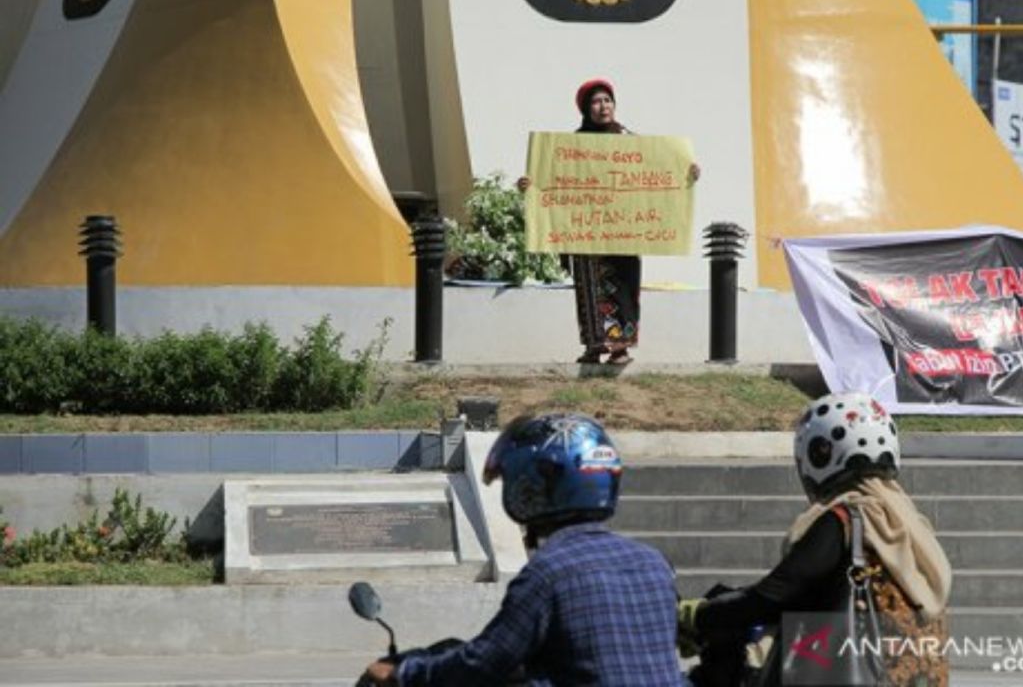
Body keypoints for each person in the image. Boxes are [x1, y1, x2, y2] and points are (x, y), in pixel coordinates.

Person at [358, 412, 684, 686]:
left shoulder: (550, 573)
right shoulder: (653, 564)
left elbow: (485, 661)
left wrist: (403, 673)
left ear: (536, 487)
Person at [678, 392, 953, 687]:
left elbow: (774, 593)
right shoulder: (906, 519)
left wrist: (699, 617)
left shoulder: (845, 519)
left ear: (819, 455)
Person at [519, 78, 699, 365]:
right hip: (586, 233)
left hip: (622, 234)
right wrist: (530, 186)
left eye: (607, 100)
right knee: (588, 289)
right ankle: (594, 346)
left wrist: (686, 171)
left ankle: (620, 348)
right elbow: (550, 182)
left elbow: (660, 170)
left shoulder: (632, 143)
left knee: (624, 288)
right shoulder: (570, 147)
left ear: (614, 105)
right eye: (595, 102)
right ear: (586, 109)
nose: (603, 107)